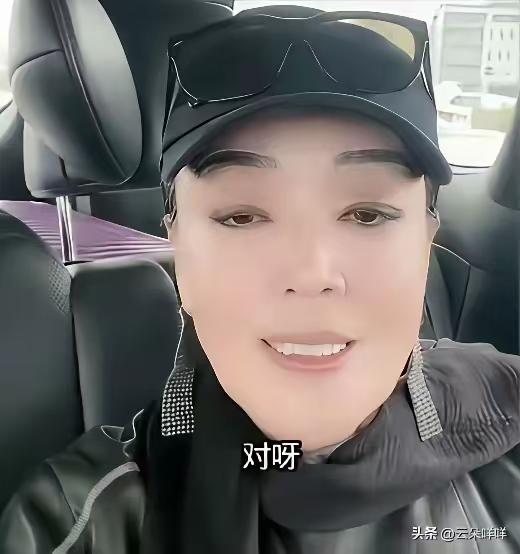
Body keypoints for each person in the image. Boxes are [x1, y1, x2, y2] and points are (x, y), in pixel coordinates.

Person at [1, 5, 520, 554]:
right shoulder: (78, 522)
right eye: (242, 217)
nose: (313, 274)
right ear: (180, 253)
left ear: (425, 243)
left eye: (367, 214)